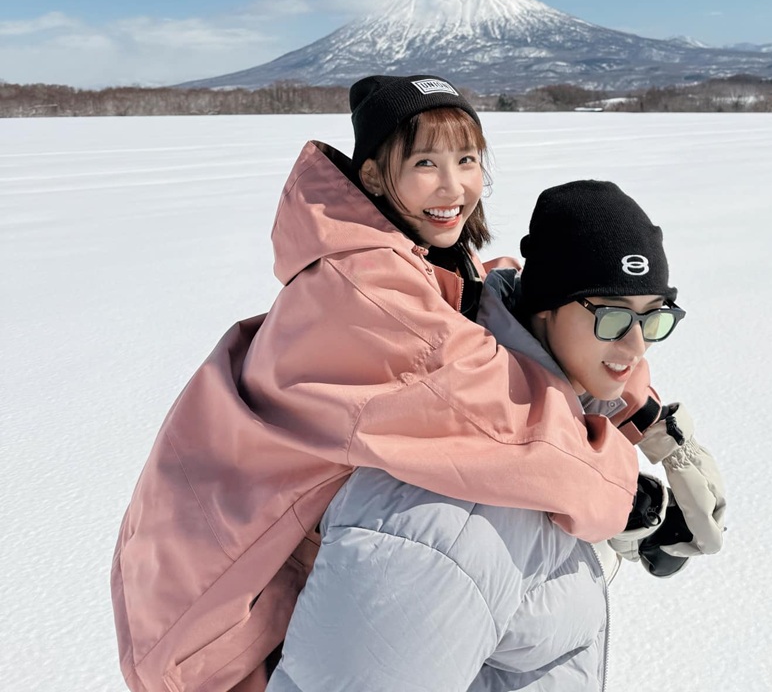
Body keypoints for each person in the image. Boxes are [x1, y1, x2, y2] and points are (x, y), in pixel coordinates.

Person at [112, 78, 664, 692]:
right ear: (373, 177)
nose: (453, 186)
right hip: (228, 632)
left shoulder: (406, 262)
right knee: (455, 515)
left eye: (468, 160)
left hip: (261, 580)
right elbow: (507, 422)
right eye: (425, 163)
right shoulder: (367, 293)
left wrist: (646, 415)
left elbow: (497, 301)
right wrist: (625, 493)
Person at [267, 180, 726, 692]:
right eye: (614, 316)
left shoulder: (563, 428)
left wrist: (657, 452)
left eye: (654, 317)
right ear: (547, 305)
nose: (637, 345)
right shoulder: (443, 524)